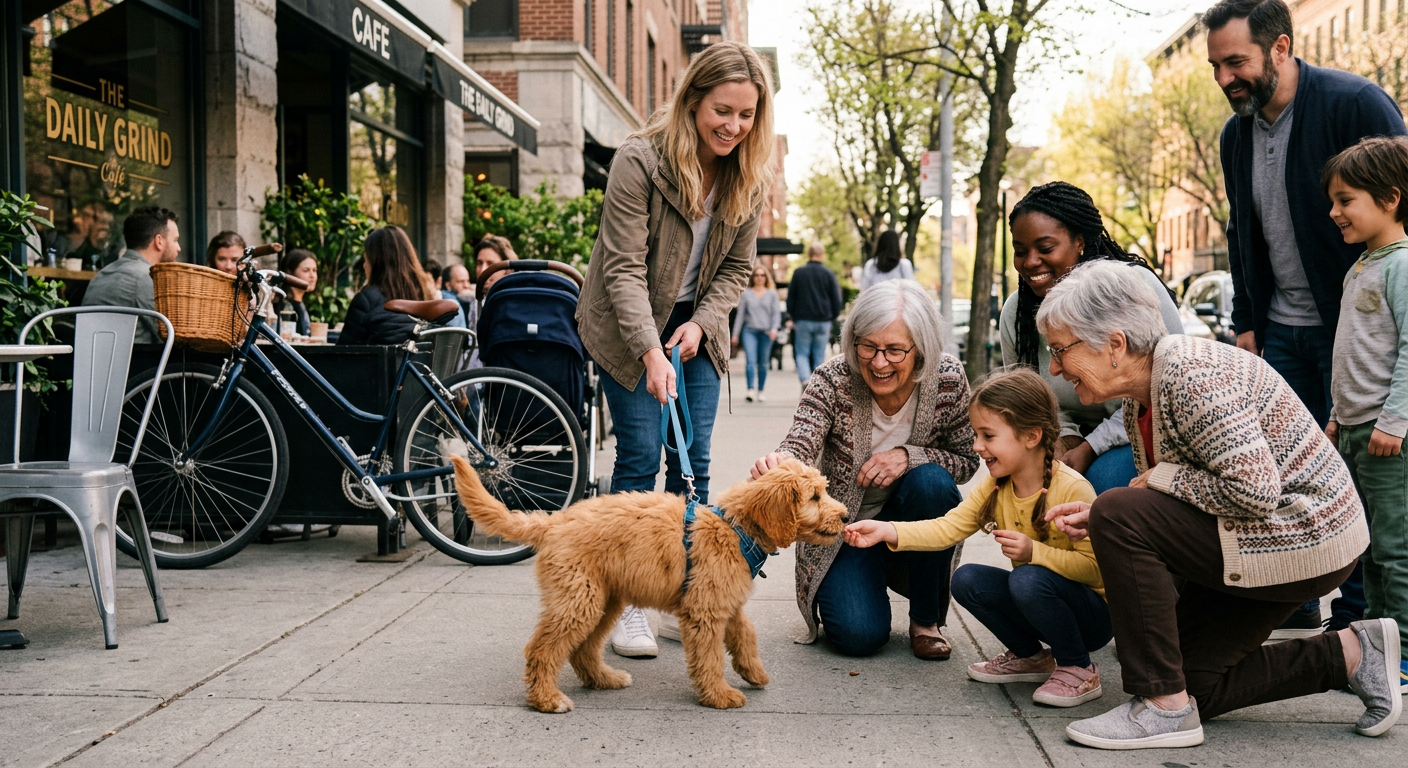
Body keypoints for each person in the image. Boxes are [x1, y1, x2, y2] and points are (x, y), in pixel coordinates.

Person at [1031, 260, 1395, 749]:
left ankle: (1161, 708)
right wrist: (1111, 515)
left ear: (1115, 344)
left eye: (1060, 350)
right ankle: (1353, 654)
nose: (1055, 368)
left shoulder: (1191, 375)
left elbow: (1254, 491)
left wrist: (1133, 502)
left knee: (1118, 512)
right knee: (1192, 683)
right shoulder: (1142, 395)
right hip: (1269, 534)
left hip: (1304, 534)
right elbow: (1179, 501)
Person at [1206, 0, 1407, 634]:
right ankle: (1293, 597)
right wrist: (1247, 319)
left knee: (1358, 481)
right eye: (1215, 67)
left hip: (1355, 331)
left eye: (1236, 62)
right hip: (1279, 331)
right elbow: (1241, 229)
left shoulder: (1355, 103)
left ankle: (1357, 620)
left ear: (1281, 47)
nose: (1225, 79)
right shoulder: (1235, 134)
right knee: (1289, 474)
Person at [574, 41, 775, 660]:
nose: (734, 126)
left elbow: (736, 270)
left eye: (746, 115)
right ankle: (629, 598)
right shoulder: (639, 160)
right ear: (692, 102)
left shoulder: (748, 175)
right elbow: (623, 269)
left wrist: (702, 325)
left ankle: (684, 586)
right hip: (628, 321)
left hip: (695, 326)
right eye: (722, 111)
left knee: (694, 463)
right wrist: (649, 352)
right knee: (639, 456)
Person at [844, 368, 1108, 706]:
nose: (977, 446)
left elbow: (1097, 571)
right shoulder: (997, 485)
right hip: (1040, 602)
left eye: (988, 436)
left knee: (1027, 578)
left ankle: (1079, 668)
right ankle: (1031, 657)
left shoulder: (1072, 488)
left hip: (1091, 618)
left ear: (1031, 436)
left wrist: (1034, 552)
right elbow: (946, 528)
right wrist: (887, 530)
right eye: (976, 435)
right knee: (967, 579)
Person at [750, 280, 978, 658]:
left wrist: (909, 456)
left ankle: (926, 621)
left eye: (894, 350)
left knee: (932, 483)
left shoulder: (948, 379)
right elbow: (800, 442)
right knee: (858, 637)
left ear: (921, 349)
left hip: (914, 524)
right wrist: (780, 464)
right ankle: (861, 580)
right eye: (867, 346)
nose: (878, 362)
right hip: (848, 529)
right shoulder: (832, 378)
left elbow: (967, 459)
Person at [1001, 182, 1183, 495]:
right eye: (1020, 252)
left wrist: (1090, 447)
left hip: (1144, 435)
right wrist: (1064, 439)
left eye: (1045, 248)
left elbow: (1169, 390)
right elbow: (1028, 400)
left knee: (1102, 480)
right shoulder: (1016, 314)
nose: (1030, 262)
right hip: (1060, 439)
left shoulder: (1132, 289)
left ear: (1080, 242)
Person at [1323, 137, 1408, 692]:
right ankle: (1380, 646)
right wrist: (1337, 415)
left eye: (1345, 200)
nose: (1334, 212)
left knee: (1397, 549)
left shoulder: (1401, 265)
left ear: (1390, 199)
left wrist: (1393, 422)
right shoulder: (1361, 265)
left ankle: (1405, 654)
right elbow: (1353, 351)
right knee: (1371, 549)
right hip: (1355, 430)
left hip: (1387, 437)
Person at [83, 206, 180, 343]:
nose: (179, 248)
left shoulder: (100, 276)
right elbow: (174, 337)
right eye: (175, 240)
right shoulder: (147, 278)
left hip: (92, 355)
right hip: (137, 357)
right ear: (159, 241)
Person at [337, 226, 440, 346]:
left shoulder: (367, 300)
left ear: (375, 263)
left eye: (366, 259)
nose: (364, 265)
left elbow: (344, 351)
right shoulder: (425, 295)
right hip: (417, 358)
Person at [786, 242, 844, 385]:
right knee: (819, 354)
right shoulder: (828, 274)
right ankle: (816, 383)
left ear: (809, 254)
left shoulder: (799, 273)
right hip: (823, 320)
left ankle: (805, 379)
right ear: (822, 254)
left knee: (802, 353)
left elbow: (791, 297)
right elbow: (836, 299)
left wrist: (792, 315)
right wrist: (832, 316)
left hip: (803, 319)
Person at [731, 265, 781, 402]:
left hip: (767, 333)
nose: (759, 278)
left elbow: (776, 314)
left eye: (762, 275)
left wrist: (774, 329)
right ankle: (750, 390)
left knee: (763, 363)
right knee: (750, 361)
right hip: (750, 331)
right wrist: (735, 334)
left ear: (766, 277)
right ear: (753, 278)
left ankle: (761, 391)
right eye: (757, 275)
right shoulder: (746, 294)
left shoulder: (772, 294)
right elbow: (740, 315)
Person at [276, 248, 317, 337]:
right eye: (306, 270)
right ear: (290, 273)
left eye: (314, 270)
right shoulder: (285, 307)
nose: (312, 276)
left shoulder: (301, 304)